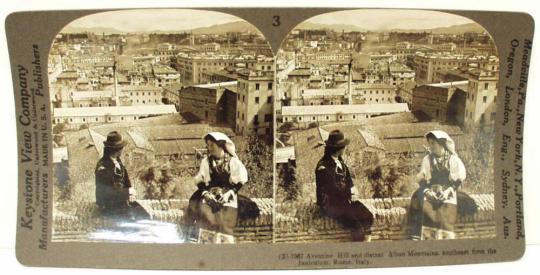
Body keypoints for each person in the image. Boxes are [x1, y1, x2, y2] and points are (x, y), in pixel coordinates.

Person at [186, 132, 248, 243]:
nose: (209, 148)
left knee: (225, 221)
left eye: (212, 145)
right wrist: (205, 193)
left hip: (227, 194)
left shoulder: (233, 162)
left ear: (220, 145)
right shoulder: (206, 162)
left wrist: (230, 193)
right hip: (209, 194)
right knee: (206, 218)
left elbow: (240, 181)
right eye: (208, 145)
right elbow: (200, 180)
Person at [315, 130, 374, 242]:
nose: (345, 148)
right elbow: (331, 190)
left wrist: (353, 190)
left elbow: (347, 178)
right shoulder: (323, 166)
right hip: (330, 204)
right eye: (343, 146)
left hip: (344, 199)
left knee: (368, 216)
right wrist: (349, 194)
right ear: (338, 149)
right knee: (356, 226)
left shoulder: (339, 161)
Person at [408, 130, 467, 240]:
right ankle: (417, 235)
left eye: (433, 143)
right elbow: (422, 179)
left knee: (446, 208)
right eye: (429, 143)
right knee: (418, 200)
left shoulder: (453, 159)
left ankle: (443, 238)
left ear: (441, 144)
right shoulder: (427, 159)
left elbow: (458, 180)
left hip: (448, 190)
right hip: (431, 189)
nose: (431, 146)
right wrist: (427, 192)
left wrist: (448, 191)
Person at [95, 131, 149, 220]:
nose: (122, 149)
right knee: (132, 221)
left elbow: (125, 179)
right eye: (121, 148)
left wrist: (131, 195)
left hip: (121, 201)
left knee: (145, 216)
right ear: (116, 149)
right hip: (108, 204)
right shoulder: (103, 167)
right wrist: (127, 192)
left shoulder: (118, 161)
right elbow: (106, 193)